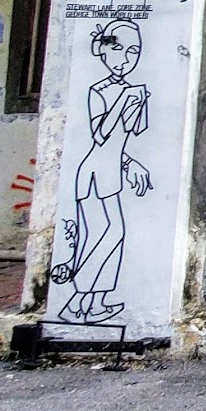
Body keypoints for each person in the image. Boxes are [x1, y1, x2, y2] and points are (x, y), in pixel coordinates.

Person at [50, 18, 154, 323]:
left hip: (112, 168)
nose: (125, 59)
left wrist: (139, 103)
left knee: (114, 234)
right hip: (94, 171)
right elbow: (101, 135)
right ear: (104, 52)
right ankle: (76, 299)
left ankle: (96, 303)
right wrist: (123, 100)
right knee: (103, 233)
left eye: (133, 52)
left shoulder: (127, 89)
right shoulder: (99, 91)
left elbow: (132, 134)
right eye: (118, 50)